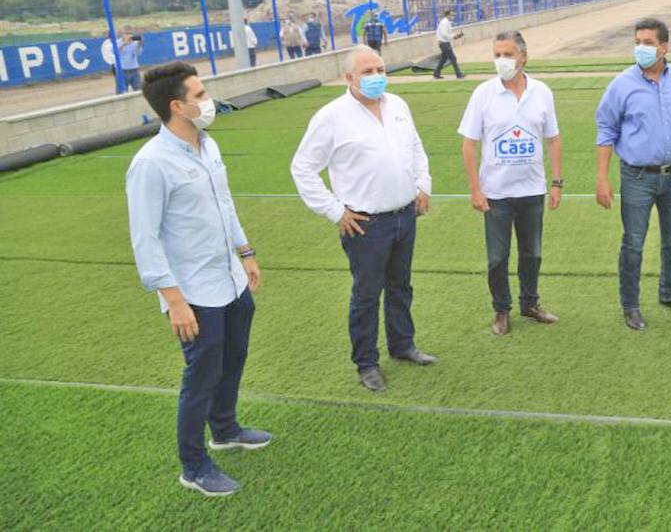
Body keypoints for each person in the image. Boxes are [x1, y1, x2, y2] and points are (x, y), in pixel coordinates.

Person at [125, 61, 269, 497]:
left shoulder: (208, 146)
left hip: (230, 280)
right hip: (193, 292)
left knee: (234, 358)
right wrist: (174, 300)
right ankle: (193, 466)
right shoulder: (151, 163)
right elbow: (145, 239)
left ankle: (225, 429)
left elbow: (225, 204)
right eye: (200, 95)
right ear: (177, 106)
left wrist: (245, 252)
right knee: (201, 376)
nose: (209, 102)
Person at [290, 45, 437, 394]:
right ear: (349, 77)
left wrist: (423, 185)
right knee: (367, 294)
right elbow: (303, 168)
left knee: (400, 286)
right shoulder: (331, 117)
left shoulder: (397, 105)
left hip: (405, 214)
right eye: (367, 72)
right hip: (366, 224)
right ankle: (367, 363)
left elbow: (415, 149)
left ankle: (403, 345)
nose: (376, 77)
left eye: (380, 70)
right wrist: (334, 210)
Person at [595, 18, 671, 331]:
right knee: (633, 243)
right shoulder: (621, 85)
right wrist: (602, 177)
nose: (641, 48)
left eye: (648, 43)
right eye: (638, 42)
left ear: (664, 47)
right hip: (637, 178)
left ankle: (670, 294)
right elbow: (606, 129)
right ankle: (630, 305)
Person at [458, 31, 563, 336]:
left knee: (532, 254)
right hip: (496, 194)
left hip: (532, 190)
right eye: (497, 55)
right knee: (497, 258)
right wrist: (476, 189)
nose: (501, 60)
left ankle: (530, 303)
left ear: (523, 57)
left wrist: (556, 183)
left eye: (508, 54)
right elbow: (469, 144)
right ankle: (501, 310)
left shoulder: (542, 92)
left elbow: (553, 139)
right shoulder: (483, 94)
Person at [433, 9, 465, 80]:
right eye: (451, 15)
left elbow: (448, 34)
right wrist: (453, 36)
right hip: (443, 43)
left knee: (443, 59)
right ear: (447, 15)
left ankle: (436, 73)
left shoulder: (447, 22)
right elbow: (444, 34)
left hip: (445, 42)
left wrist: (457, 36)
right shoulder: (444, 22)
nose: (453, 16)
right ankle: (459, 74)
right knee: (453, 58)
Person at [118, 27, 144, 91]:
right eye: (127, 34)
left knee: (138, 90)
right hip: (122, 70)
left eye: (130, 33)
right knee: (122, 91)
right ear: (122, 34)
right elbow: (115, 53)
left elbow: (137, 54)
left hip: (134, 70)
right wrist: (124, 44)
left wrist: (139, 44)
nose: (129, 35)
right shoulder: (118, 42)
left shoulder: (134, 43)